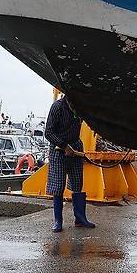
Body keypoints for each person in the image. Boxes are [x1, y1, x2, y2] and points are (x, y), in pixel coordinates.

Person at [45, 95, 95, 232]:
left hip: (76, 148)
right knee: (58, 186)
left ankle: (80, 219)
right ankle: (58, 221)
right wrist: (64, 146)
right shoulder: (57, 107)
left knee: (77, 184)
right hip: (58, 150)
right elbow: (48, 132)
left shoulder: (80, 107)